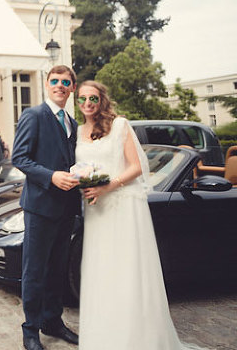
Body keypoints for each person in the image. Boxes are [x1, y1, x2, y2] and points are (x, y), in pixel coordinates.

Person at [76, 81, 204, 350]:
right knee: (102, 271)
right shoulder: (77, 132)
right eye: (82, 99)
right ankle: (104, 336)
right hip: (96, 210)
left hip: (123, 206)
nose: (87, 103)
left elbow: (137, 167)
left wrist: (107, 185)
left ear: (102, 101)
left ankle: (135, 338)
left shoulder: (119, 125)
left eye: (93, 99)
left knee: (126, 270)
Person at [12, 65, 80, 350]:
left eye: (66, 82)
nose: (60, 85)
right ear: (46, 84)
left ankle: (53, 320)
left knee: (57, 268)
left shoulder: (72, 123)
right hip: (40, 207)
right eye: (55, 81)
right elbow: (20, 158)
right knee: (35, 270)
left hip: (67, 208)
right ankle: (31, 329)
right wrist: (51, 176)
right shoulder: (34, 115)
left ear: (72, 88)